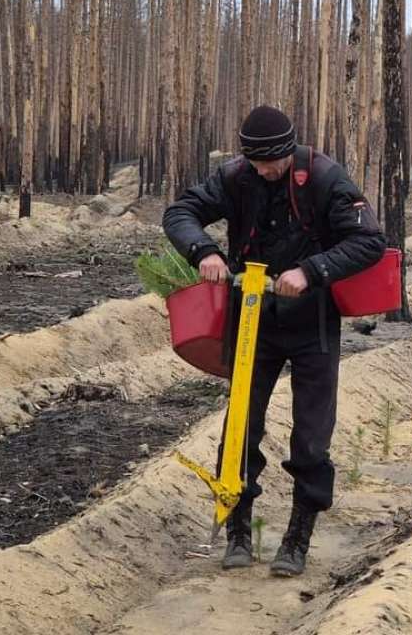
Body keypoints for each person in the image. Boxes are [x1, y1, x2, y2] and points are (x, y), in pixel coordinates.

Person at [162, 105, 385, 577]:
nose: (265, 170)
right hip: (251, 320)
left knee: (310, 435)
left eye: (272, 163)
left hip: (313, 321)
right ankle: (237, 529)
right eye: (257, 163)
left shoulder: (324, 176)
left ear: (288, 152)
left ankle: (297, 537)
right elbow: (180, 212)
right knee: (240, 426)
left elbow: (369, 242)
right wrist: (204, 251)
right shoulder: (235, 177)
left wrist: (311, 270)